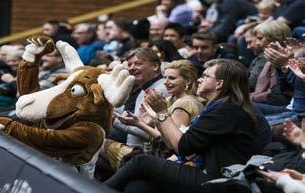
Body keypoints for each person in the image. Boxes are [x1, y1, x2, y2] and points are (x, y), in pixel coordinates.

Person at [105, 59, 259, 193]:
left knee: (141, 161)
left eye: (205, 76)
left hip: (217, 180)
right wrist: (157, 116)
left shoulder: (227, 110)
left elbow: (182, 146)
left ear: (219, 84)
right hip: (204, 171)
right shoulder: (222, 107)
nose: (199, 79)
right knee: (138, 186)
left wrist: (161, 112)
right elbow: (177, 145)